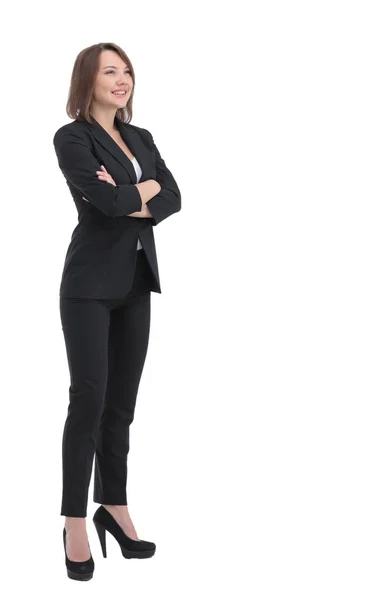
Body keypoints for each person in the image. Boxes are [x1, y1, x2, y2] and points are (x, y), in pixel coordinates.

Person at [53, 42, 181, 580]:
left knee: (121, 406)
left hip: (135, 283)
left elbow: (173, 198)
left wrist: (132, 188)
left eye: (126, 70)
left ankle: (116, 505)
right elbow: (103, 206)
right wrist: (138, 192)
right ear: (89, 79)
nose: (122, 79)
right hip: (87, 286)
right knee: (89, 400)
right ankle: (74, 520)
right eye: (110, 71)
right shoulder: (71, 137)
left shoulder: (140, 137)